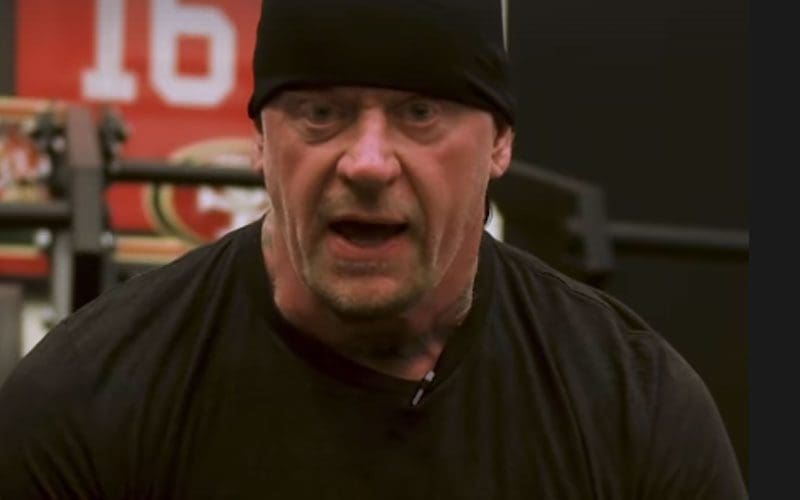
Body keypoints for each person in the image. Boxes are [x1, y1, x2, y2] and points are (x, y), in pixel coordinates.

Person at [0, 0, 746, 498]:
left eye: (419, 113)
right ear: (260, 139)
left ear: (500, 142)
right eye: (321, 112)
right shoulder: (84, 402)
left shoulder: (633, 411)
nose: (366, 162)